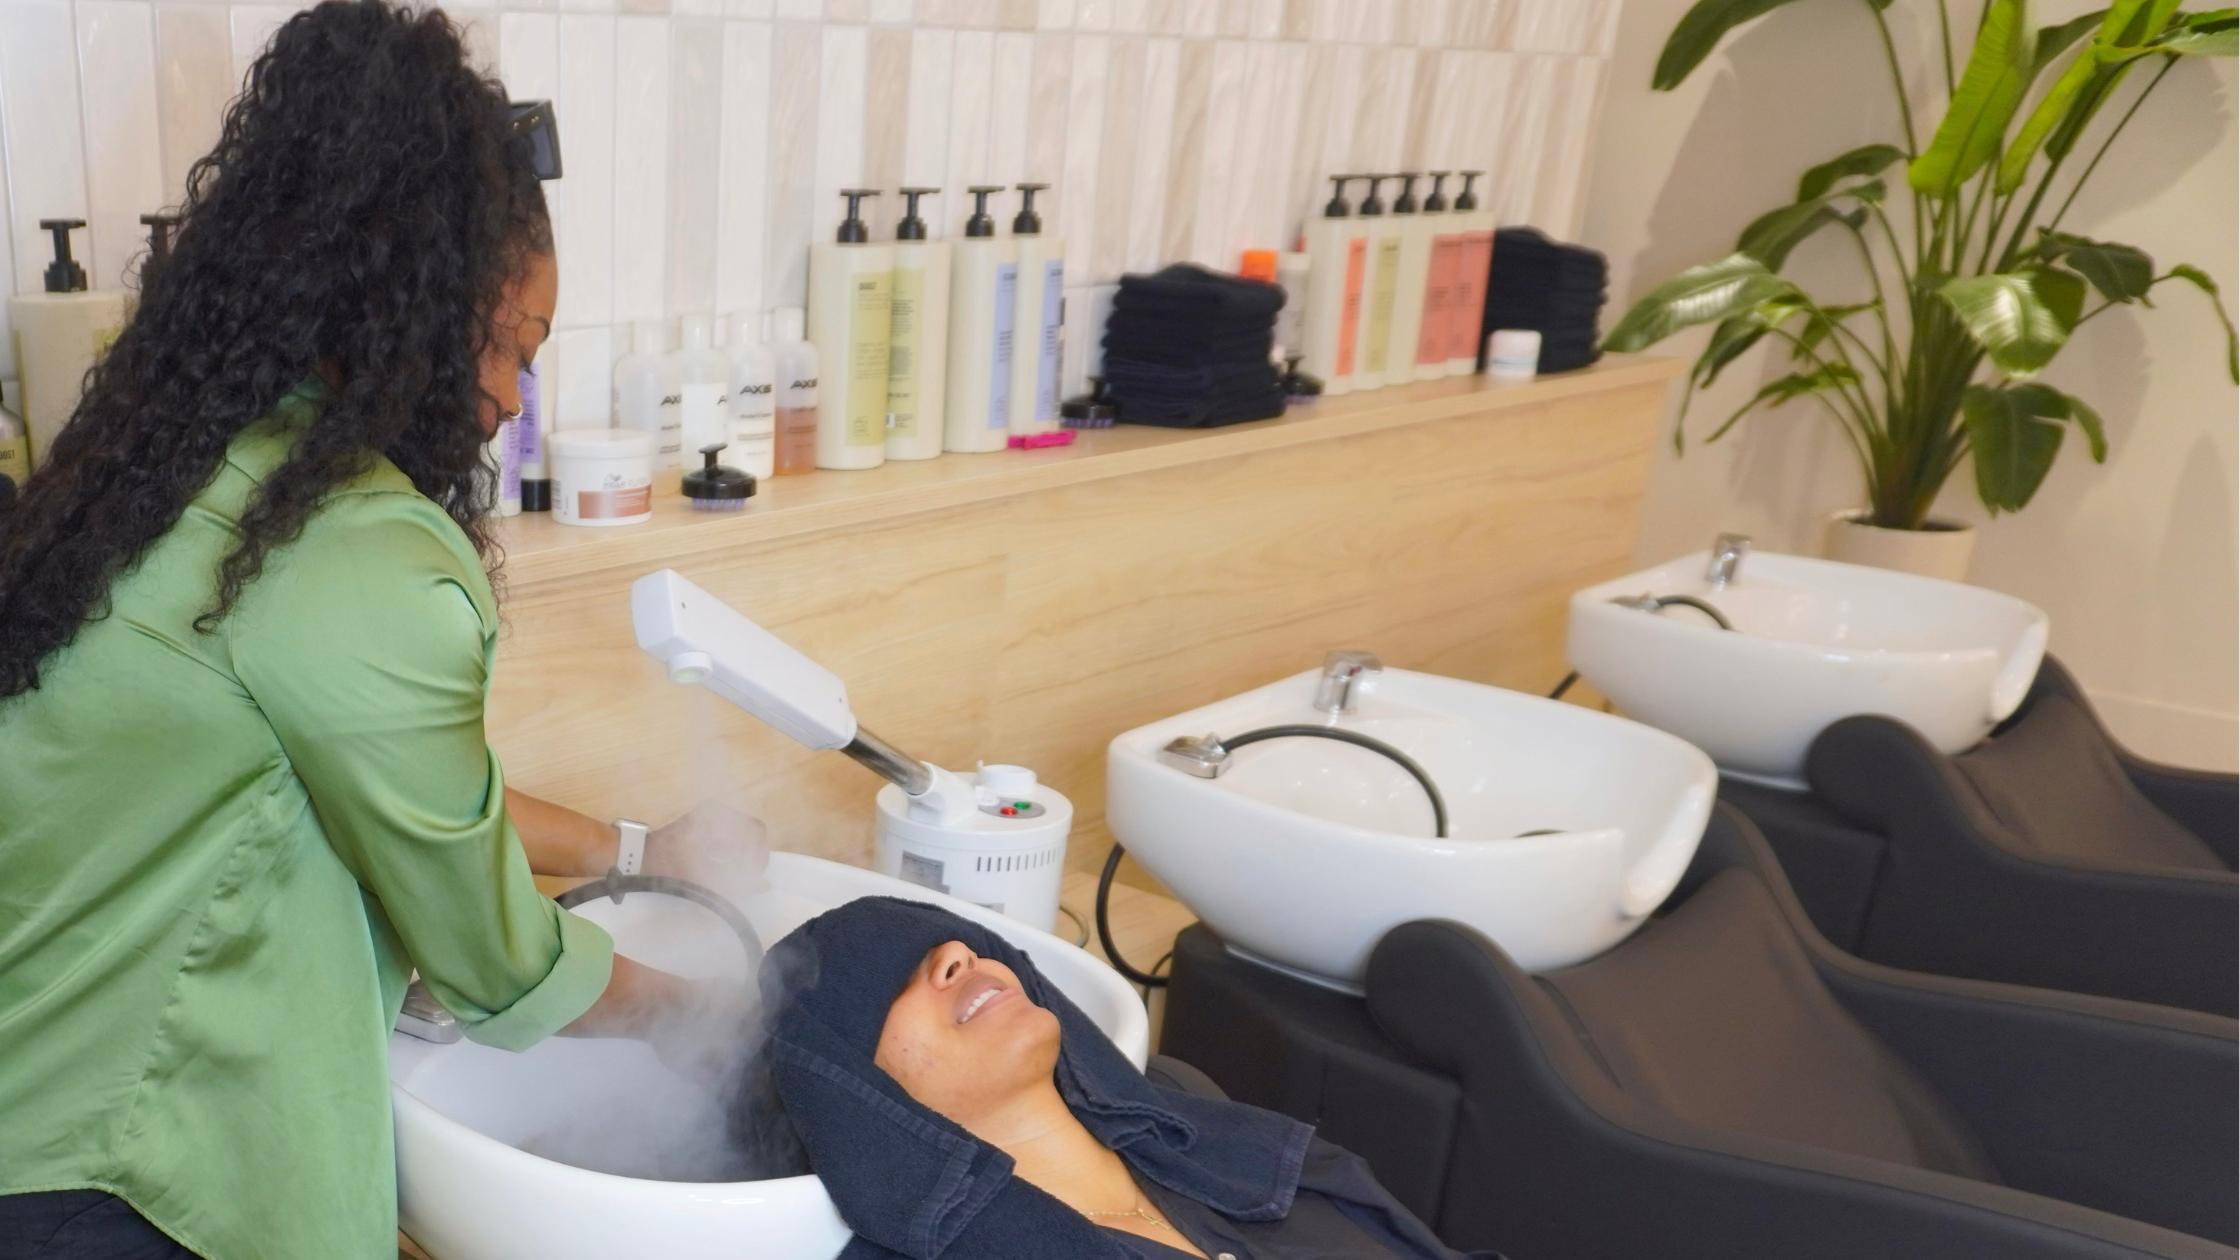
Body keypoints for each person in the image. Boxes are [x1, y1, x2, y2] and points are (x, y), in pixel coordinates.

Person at [0, 5, 753, 1257]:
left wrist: (640, 843)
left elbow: (375, 791)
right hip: (134, 1183)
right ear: (404, 299)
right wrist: (711, 1016)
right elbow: (497, 960)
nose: (511, 398)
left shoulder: (160, 470)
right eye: (508, 346)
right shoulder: (357, 552)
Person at [760, 898, 1499, 1259]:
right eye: (877, 983)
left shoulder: (1220, 1150)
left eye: (964, 944)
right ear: (850, 1092)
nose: (958, 955)